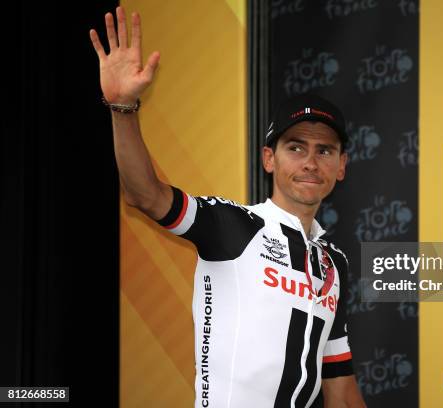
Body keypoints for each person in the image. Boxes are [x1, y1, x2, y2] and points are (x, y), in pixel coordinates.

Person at [90, 6, 366, 408]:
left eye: (324, 150)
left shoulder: (334, 262)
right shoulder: (234, 225)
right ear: (269, 159)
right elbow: (144, 195)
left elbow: (340, 389)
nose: (310, 162)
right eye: (296, 148)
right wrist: (122, 109)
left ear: (341, 167)